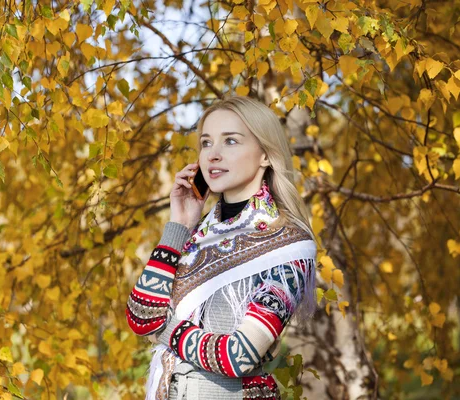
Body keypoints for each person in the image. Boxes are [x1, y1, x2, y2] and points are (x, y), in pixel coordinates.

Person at [126, 96, 318, 400]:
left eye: (230, 141)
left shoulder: (289, 245)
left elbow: (238, 356)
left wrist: (163, 328)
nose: (212, 155)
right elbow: (140, 315)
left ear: (266, 155)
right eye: (206, 143)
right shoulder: (196, 234)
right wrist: (179, 224)